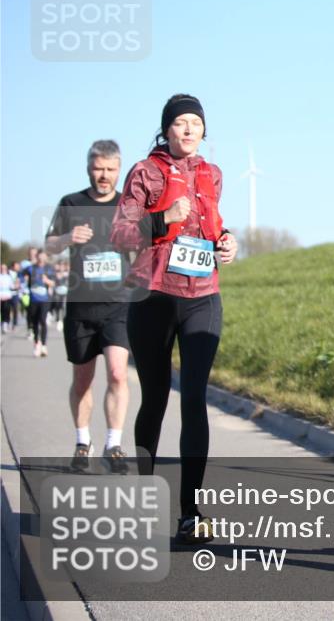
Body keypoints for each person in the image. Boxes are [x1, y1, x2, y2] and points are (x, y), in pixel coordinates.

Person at [111, 94, 237, 544]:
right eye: (179, 123)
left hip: (203, 296)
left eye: (195, 124)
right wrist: (163, 215)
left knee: (195, 400)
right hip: (154, 297)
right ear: (166, 130)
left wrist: (226, 241)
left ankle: (190, 511)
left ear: (204, 131)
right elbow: (121, 232)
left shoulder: (212, 174)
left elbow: (211, 226)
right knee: (156, 399)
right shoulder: (146, 172)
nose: (188, 130)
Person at [46, 140, 133, 474]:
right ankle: (83, 442)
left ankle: (114, 444)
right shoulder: (71, 202)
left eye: (111, 169)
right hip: (81, 307)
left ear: (118, 169)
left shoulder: (128, 203)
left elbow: (142, 244)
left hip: (118, 305)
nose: (105, 175)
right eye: (99, 168)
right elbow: (49, 244)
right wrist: (68, 238)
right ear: (89, 167)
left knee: (116, 373)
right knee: (82, 380)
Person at [26, 250, 56, 356]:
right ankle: (36, 343)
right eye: (39, 257)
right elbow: (22, 277)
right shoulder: (31, 268)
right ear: (37, 257)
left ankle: (44, 345)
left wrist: (47, 281)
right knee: (34, 322)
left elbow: (53, 283)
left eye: (43, 257)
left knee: (42, 320)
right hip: (33, 299)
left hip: (45, 300)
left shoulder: (49, 268)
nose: (41, 259)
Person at [0, 264, 13, 332]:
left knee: (6, 311)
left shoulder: (9, 277)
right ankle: (2, 323)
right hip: (1, 296)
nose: (3, 269)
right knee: (1, 311)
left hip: (7, 296)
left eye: (4, 268)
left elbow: (12, 286)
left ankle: (6, 323)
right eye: (2, 268)